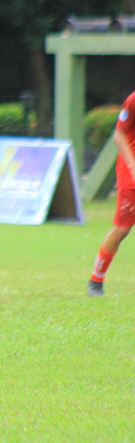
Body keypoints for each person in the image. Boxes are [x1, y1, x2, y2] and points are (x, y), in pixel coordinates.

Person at [88, 90, 135, 296]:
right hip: (130, 172)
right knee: (122, 229)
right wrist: (132, 165)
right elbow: (119, 134)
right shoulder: (133, 100)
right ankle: (96, 280)